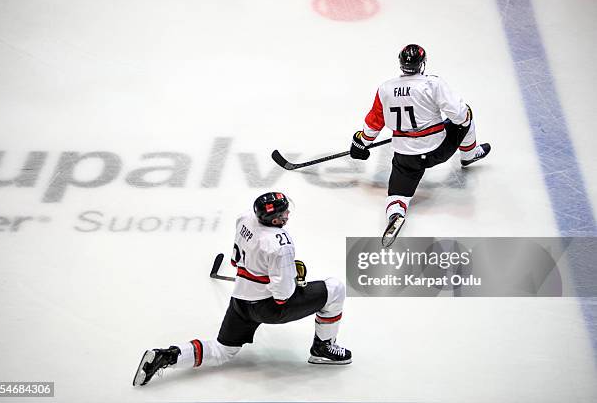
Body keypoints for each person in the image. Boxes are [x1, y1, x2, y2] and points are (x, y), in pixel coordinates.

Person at [133, 192, 351, 387]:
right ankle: (322, 348)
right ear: (275, 220)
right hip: (269, 308)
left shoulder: (246, 218)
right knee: (335, 289)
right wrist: (296, 282)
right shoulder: (280, 243)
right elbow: (283, 294)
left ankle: (168, 356)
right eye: (284, 213)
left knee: (221, 351)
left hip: (240, 301)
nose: (287, 215)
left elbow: (236, 262)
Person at [350, 44, 491, 246]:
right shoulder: (432, 84)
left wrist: (361, 143)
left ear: (401, 64)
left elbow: (374, 123)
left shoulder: (385, 89)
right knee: (466, 114)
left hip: (405, 156)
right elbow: (459, 115)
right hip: (437, 150)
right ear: (422, 64)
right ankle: (469, 153)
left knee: (398, 195)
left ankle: (396, 212)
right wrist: (455, 119)